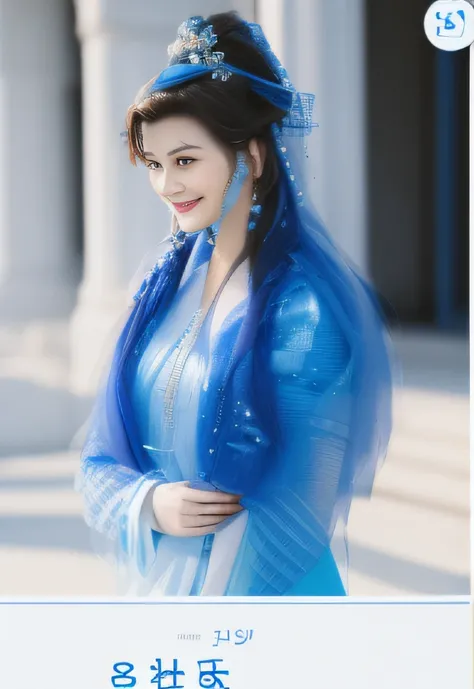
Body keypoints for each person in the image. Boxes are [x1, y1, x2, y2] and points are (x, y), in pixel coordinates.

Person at [77, 12, 392, 597]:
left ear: (254, 155)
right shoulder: (157, 290)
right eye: (154, 164)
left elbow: (302, 500)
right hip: (166, 590)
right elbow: (97, 458)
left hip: (260, 604)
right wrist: (146, 502)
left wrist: (206, 610)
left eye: (186, 160)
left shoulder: (304, 309)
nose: (168, 185)